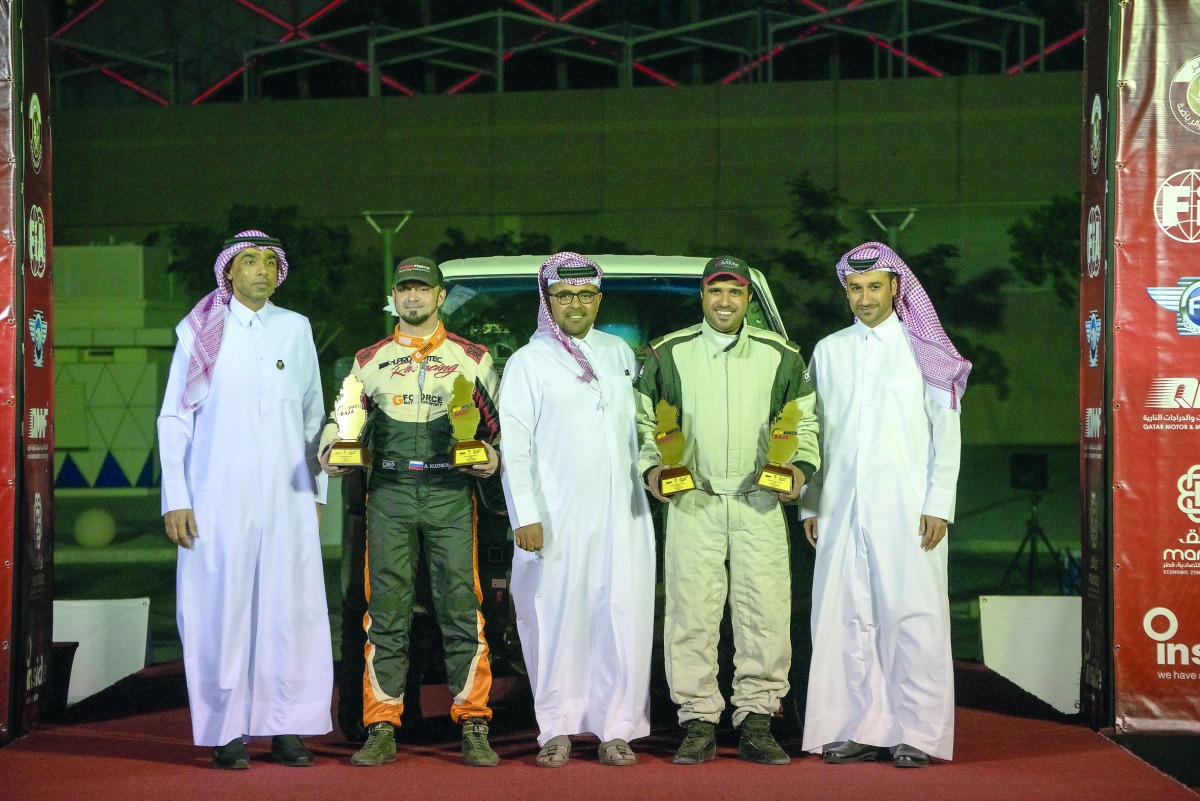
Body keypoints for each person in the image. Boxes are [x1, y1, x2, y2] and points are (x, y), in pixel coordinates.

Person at [634, 255, 819, 766]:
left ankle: (758, 719)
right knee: (691, 613)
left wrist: (799, 471)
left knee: (765, 613)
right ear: (703, 295)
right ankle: (697, 721)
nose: (724, 301)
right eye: (716, 291)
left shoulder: (781, 355)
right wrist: (653, 470)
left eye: (734, 293)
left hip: (761, 502)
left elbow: (804, 424)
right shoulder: (670, 353)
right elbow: (641, 422)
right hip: (695, 500)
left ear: (747, 299)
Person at [158, 230, 332, 770]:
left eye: (269, 263)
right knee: (220, 612)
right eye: (249, 262)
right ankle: (225, 731)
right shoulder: (200, 331)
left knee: (289, 610)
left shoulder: (296, 328)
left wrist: (316, 491)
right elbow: (174, 418)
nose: (261, 270)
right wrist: (175, 497)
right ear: (228, 272)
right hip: (216, 497)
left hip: (287, 498)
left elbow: (313, 415)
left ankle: (288, 728)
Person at [319, 256, 502, 768]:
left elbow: (500, 427)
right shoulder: (368, 359)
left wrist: (493, 456)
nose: (413, 298)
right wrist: (331, 450)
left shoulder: (473, 357)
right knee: (386, 613)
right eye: (405, 291)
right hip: (391, 492)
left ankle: (474, 722)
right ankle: (381, 725)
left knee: (462, 609)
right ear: (395, 298)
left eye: (423, 290)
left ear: (440, 297)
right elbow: (342, 422)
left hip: (449, 488)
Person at [800, 241, 969, 768]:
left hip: (909, 510)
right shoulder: (828, 350)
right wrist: (810, 504)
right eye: (855, 288)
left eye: (875, 287)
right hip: (841, 508)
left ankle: (917, 732)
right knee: (847, 614)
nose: (865, 297)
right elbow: (814, 435)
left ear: (897, 287)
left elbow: (948, 430)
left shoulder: (927, 350)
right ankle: (859, 726)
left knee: (911, 616)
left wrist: (939, 502)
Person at [499, 252, 655, 768]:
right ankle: (556, 728)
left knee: (621, 614)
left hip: (623, 515)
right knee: (554, 618)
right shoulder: (529, 361)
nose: (575, 305)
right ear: (549, 302)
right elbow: (515, 446)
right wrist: (525, 514)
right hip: (555, 517)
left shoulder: (620, 354)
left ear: (598, 300)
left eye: (585, 296)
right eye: (564, 296)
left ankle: (618, 728)